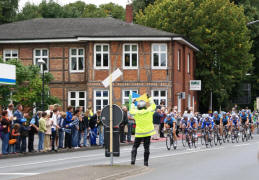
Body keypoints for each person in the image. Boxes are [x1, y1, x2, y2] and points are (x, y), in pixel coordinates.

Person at [130, 98, 156, 167]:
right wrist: (149, 98)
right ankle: (145, 163)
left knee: (135, 146)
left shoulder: (136, 113)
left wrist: (133, 103)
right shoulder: (149, 111)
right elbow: (153, 106)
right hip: (148, 132)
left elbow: (131, 110)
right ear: (144, 106)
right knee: (146, 148)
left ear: (138, 107)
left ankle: (133, 160)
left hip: (139, 133)